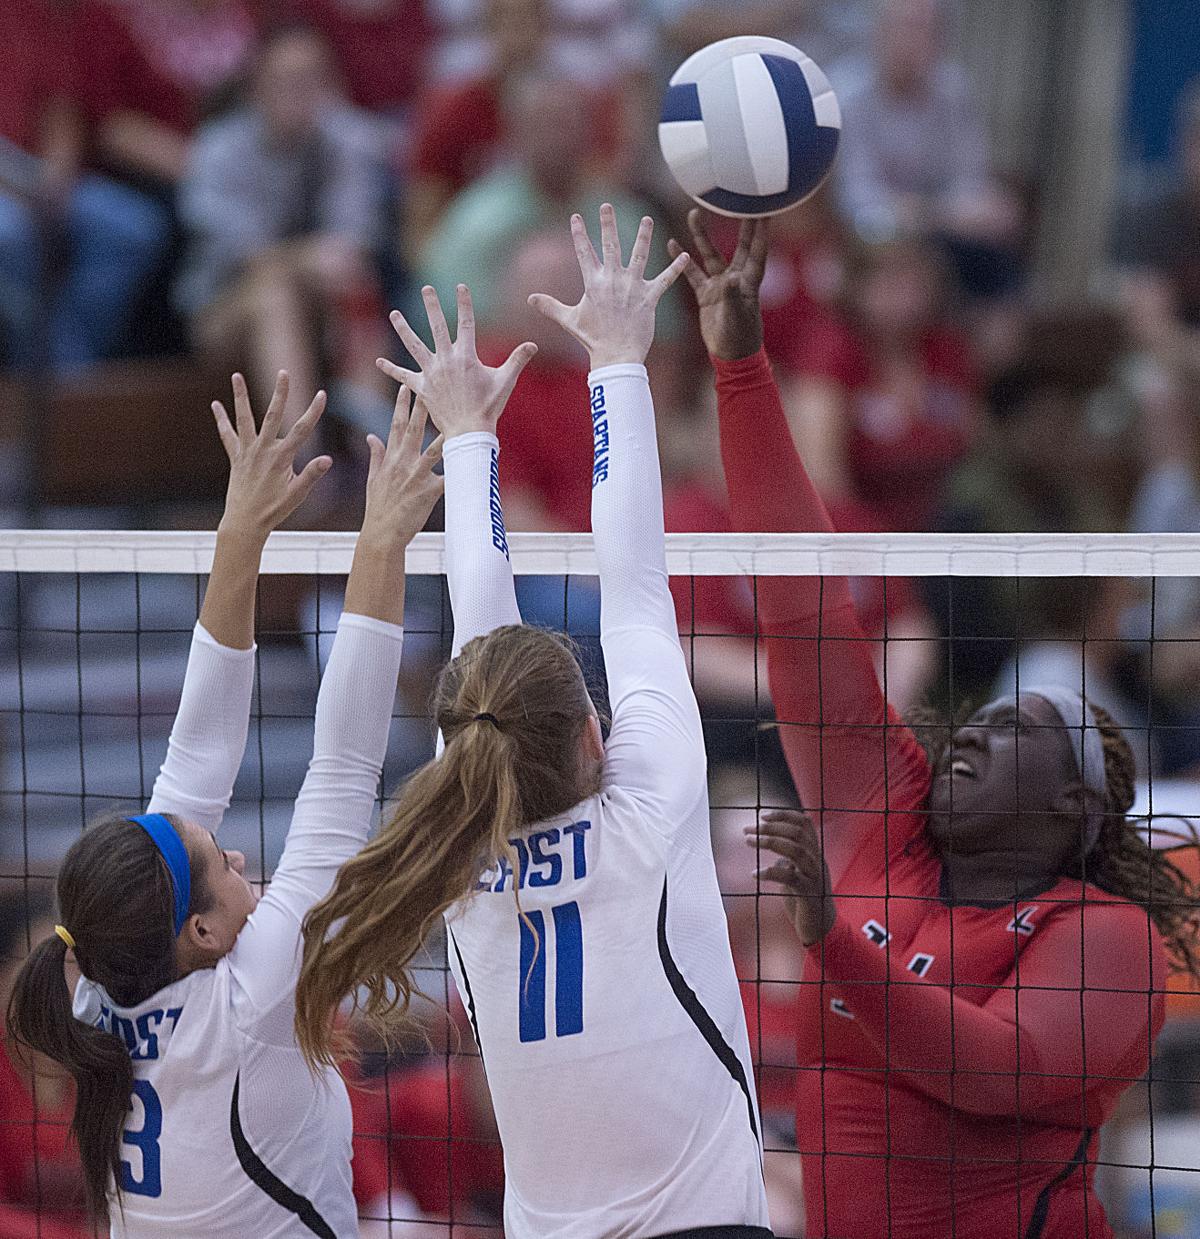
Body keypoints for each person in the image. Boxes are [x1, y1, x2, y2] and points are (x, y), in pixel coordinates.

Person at [667, 208, 1198, 1238]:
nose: (973, 739)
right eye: (978, 726)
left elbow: (995, 1070)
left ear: (1077, 812)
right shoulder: (887, 820)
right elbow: (799, 594)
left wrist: (832, 940)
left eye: (1017, 737)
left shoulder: (1106, 936)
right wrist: (741, 368)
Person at [296, 207, 773, 1237]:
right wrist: (610, 366)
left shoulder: (456, 862)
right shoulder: (647, 817)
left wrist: (485, 428)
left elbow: (490, 638)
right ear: (594, 738)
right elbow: (635, 589)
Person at [6, 370, 444, 1235]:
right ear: (199, 930)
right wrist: (384, 539)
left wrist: (240, 527)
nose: (241, 856)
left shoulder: (105, 995)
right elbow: (346, 765)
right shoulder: (244, 1002)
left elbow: (200, 753)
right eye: (223, 866)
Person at [177, 26, 393, 436]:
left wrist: (328, 260)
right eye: (286, 81)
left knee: (358, 283)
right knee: (276, 293)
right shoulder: (217, 151)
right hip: (223, 308)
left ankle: (375, 458)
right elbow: (246, 256)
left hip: (323, 300)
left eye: (312, 79)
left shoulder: (348, 141)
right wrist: (310, 258)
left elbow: (354, 241)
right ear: (255, 89)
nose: (301, 92)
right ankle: (304, 469)